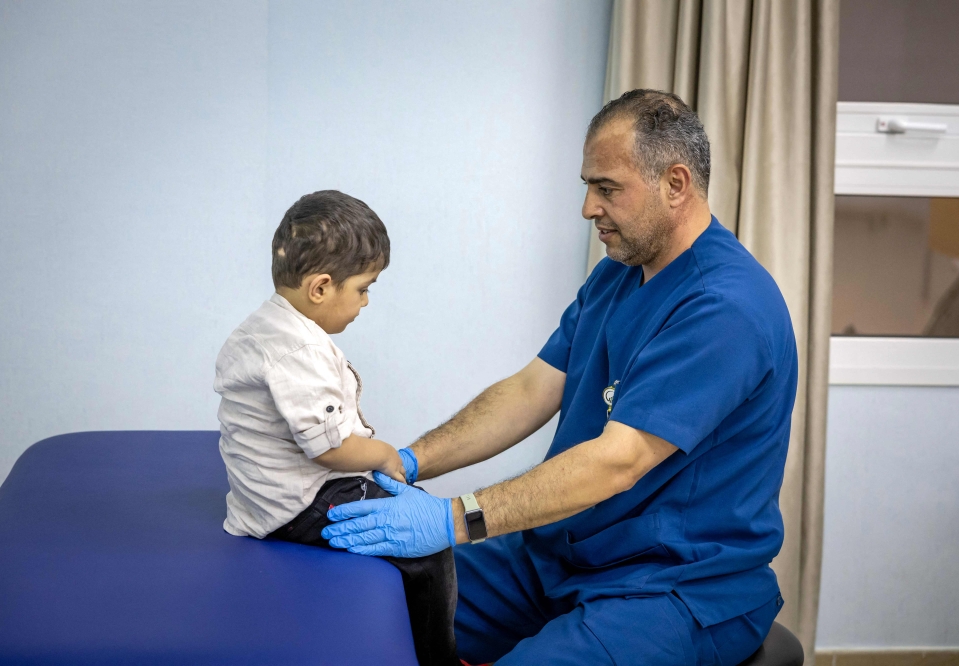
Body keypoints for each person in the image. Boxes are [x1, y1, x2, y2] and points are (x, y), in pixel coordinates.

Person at [322, 90, 799, 665]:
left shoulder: (726, 307)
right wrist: (407, 460)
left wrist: (454, 517)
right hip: (562, 554)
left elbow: (618, 460)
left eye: (608, 188)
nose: (588, 208)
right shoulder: (616, 276)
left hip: (673, 585)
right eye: (587, 187)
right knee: (371, 601)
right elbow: (530, 391)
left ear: (676, 184)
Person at [213, 190, 459, 666]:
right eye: (364, 288)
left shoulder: (262, 327)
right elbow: (329, 450)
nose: (366, 302)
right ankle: (438, 658)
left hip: (261, 498)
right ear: (321, 288)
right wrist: (386, 455)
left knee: (414, 510)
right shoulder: (299, 352)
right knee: (432, 546)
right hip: (296, 505)